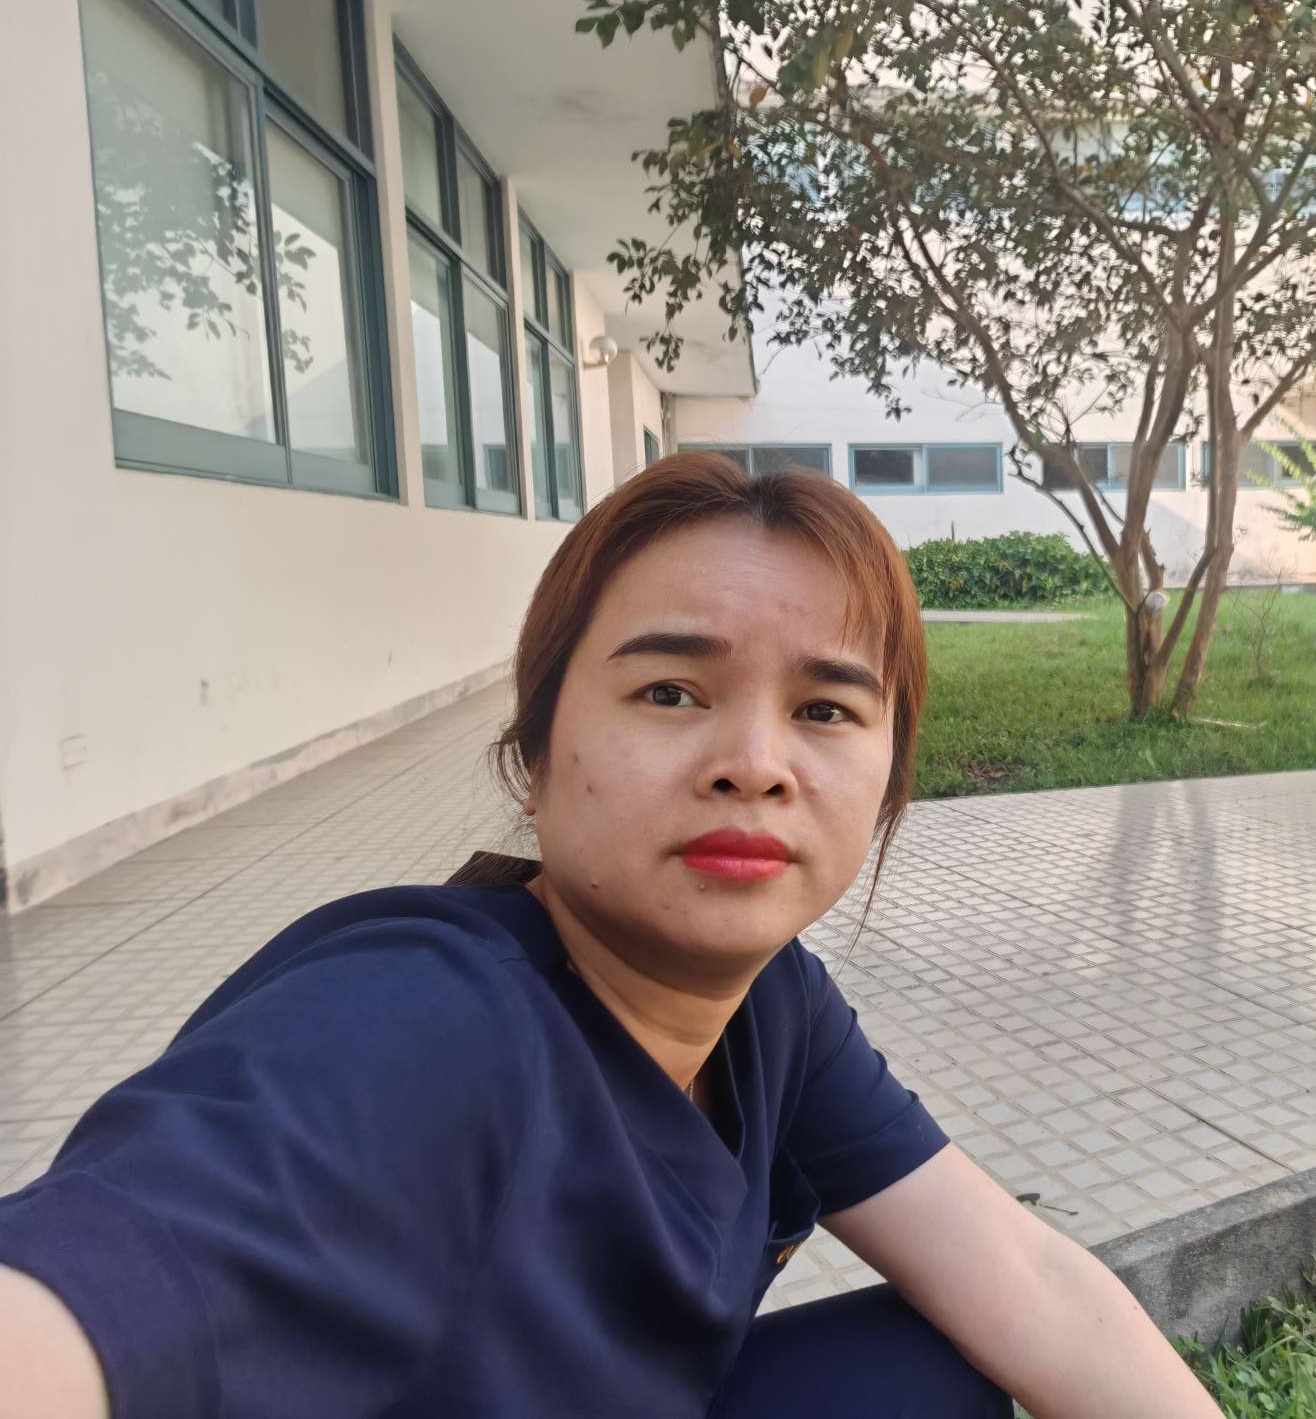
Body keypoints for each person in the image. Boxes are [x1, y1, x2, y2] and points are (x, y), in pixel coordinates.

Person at [0, 455, 1223, 1419]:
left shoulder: (772, 1011)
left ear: (890, 774)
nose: (755, 764)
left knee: (919, 1375)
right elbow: (82, 1296)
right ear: (534, 760)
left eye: (824, 708)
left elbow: (1024, 1276)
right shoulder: (420, 1021)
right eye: (670, 692)